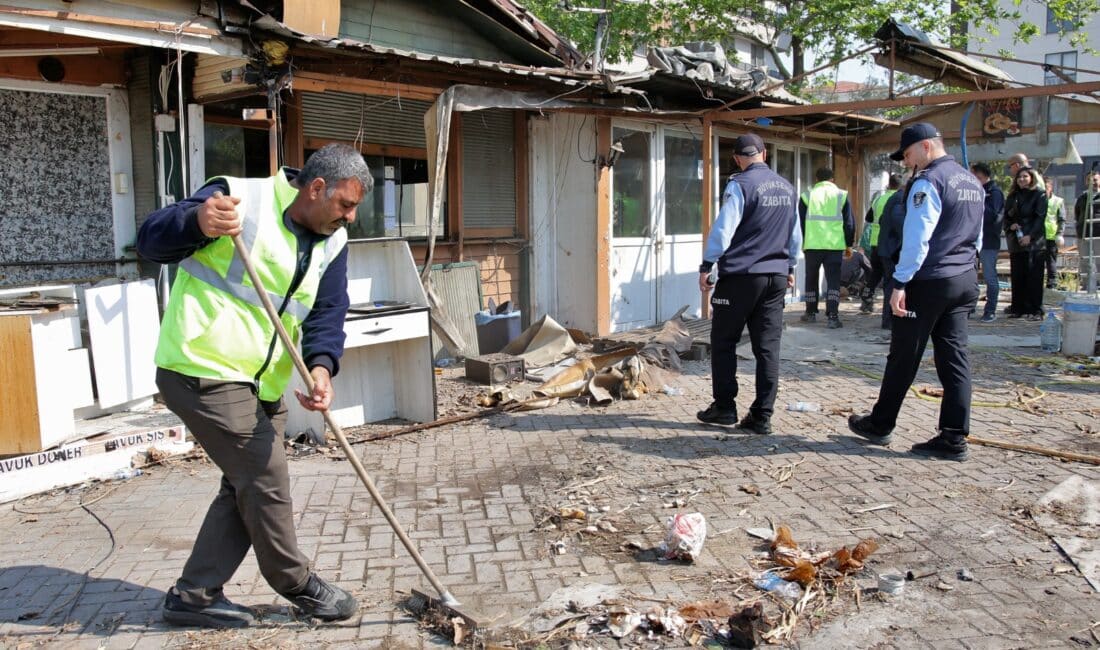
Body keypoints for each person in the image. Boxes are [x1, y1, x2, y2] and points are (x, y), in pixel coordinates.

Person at [137, 144, 373, 628]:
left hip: (263, 383)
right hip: (202, 367)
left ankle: (194, 595)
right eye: (345, 205)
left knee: (243, 485)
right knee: (265, 476)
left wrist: (322, 369)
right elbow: (149, 242)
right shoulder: (237, 199)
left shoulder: (333, 242)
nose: (350, 217)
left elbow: (328, 313)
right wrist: (197, 222)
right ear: (315, 188)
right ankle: (296, 582)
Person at [848, 123, 983, 461]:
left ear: (926, 147)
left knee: (904, 356)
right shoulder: (970, 181)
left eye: (908, 155)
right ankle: (954, 436)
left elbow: (918, 237)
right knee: (955, 358)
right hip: (963, 277)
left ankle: (880, 425)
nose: (908, 163)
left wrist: (901, 282)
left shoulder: (929, 181)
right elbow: (977, 236)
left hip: (929, 281)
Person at [697, 133, 802, 435]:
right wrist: (791, 265)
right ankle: (762, 416)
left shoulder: (739, 185)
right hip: (776, 277)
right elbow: (795, 235)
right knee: (768, 348)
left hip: (742, 277)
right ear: (764, 154)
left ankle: (725, 408)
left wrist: (707, 265)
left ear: (737, 159)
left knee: (724, 341)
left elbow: (724, 229)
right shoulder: (787, 187)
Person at [799, 167, 854, 328]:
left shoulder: (806, 196)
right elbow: (849, 224)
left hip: (812, 245)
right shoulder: (841, 195)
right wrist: (848, 244)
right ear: (832, 180)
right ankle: (833, 317)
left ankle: (810, 313)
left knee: (811, 279)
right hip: (834, 246)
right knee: (833, 281)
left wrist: (804, 242)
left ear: (817, 179)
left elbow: (801, 224)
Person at [1004, 167, 1047, 320]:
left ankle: (1035, 309)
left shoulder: (1040, 194)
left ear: (1031, 178)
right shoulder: (1013, 196)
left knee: (1033, 276)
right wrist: (1011, 226)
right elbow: (1006, 217)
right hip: (1016, 241)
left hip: (1034, 243)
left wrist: (1030, 235)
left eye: (1025, 176)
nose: (1021, 179)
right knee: (1018, 276)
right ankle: (1018, 308)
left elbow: (1039, 218)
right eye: (1019, 177)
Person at [858, 174, 901, 314]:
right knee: (890, 276)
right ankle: (888, 310)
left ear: (889, 184)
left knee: (875, 273)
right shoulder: (899, 199)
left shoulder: (878, 199)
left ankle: (866, 297)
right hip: (890, 244)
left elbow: (868, 218)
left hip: (875, 242)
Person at [874, 172, 909, 330]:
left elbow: (882, 220)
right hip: (893, 250)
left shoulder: (894, 197)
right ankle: (890, 320)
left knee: (891, 284)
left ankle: (890, 320)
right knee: (894, 286)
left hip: (887, 248)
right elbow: (898, 221)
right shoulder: (901, 198)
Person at [971, 163, 1004, 322]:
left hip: (989, 241)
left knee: (990, 277)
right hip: (973, 240)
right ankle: (970, 307)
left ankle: (990, 310)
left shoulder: (994, 193)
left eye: (975, 176)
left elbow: (994, 216)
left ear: (982, 176)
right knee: (970, 276)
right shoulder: (977, 191)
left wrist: (980, 201)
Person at [1075, 170, 1100, 290]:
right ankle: (1086, 285)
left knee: (1098, 260)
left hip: (1098, 234)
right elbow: (1077, 213)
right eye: (1090, 180)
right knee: (1084, 259)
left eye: (1095, 180)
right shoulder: (1082, 197)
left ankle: (1098, 285)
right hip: (1084, 233)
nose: (1093, 182)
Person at [1044, 178, 1066, 289]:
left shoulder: (1058, 201)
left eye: (1046, 188)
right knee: (1036, 263)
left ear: (1051, 188)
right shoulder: (1038, 199)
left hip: (1051, 237)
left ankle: (1051, 285)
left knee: (1051, 262)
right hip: (1037, 236)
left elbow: (1062, 219)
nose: (1044, 191)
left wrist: (1060, 233)